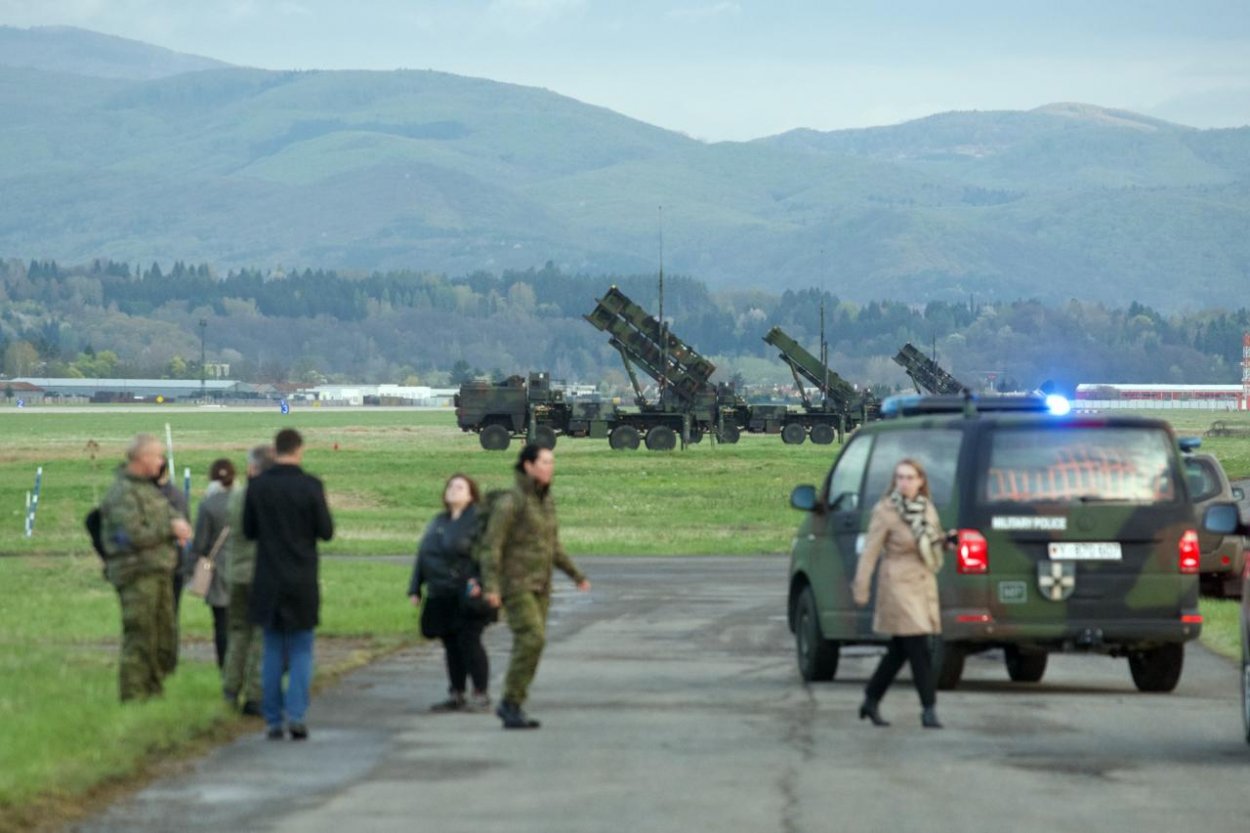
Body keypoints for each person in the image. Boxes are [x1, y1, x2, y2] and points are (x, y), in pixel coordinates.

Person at [481, 444, 590, 730]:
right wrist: (491, 587)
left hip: (541, 585)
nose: (550, 467)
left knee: (533, 643)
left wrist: (575, 575)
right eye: (544, 462)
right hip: (515, 585)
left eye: (551, 462)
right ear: (528, 466)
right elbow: (492, 547)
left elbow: (553, 545)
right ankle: (510, 702)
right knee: (532, 638)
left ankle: (514, 704)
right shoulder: (511, 503)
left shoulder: (545, 502)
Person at [244, 428, 334, 741]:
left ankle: (272, 719)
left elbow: (248, 530)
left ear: (275, 449)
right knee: (301, 648)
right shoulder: (311, 486)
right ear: (299, 449)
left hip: (268, 576)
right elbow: (326, 531)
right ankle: (296, 714)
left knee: (271, 649)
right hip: (302, 578)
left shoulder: (258, 487)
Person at [851, 458, 948, 729]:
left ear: (920, 481)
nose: (904, 483)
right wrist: (861, 587)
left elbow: (932, 540)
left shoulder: (926, 508)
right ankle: (928, 709)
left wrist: (946, 542)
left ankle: (871, 699)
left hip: (923, 582)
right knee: (918, 647)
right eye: (900, 477)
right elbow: (870, 552)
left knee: (899, 650)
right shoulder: (885, 510)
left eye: (909, 477)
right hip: (897, 584)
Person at [99, 433, 192, 701]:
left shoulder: (149, 490)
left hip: (159, 572)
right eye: (157, 456)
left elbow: (169, 514)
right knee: (140, 636)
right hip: (137, 575)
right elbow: (129, 535)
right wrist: (169, 529)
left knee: (162, 636)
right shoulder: (123, 493)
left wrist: (179, 524)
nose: (161, 462)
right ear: (142, 458)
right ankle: (133, 696)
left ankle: (154, 690)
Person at [409, 473, 493, 713]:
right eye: (451, 487)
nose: (453, 490)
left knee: (469, 641)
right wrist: (415, 587)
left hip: (467, 593)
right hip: (440, 593)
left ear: (471, 495)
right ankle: (456, 693)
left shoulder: (478, 523)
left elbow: (490, 557)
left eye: (460, 487)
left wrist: (481, 582)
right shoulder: (438, 521)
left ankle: (481, 694)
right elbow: (423, 555)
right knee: (450, 644)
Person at [222, 445, 273, 715]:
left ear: (252, 468)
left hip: (236, 572)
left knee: (238, 631)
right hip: (261, 574)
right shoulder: (270, 497)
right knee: (260, 635)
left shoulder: (237, 496)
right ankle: (254, 694)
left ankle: (230, 688)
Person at [190, 458, 236, 668]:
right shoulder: (246, 500)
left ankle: (225, 666)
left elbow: (200, 543)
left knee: (221, 622)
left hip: (217, 570)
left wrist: (189, 567)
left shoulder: (208, 505)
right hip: (243, 567)